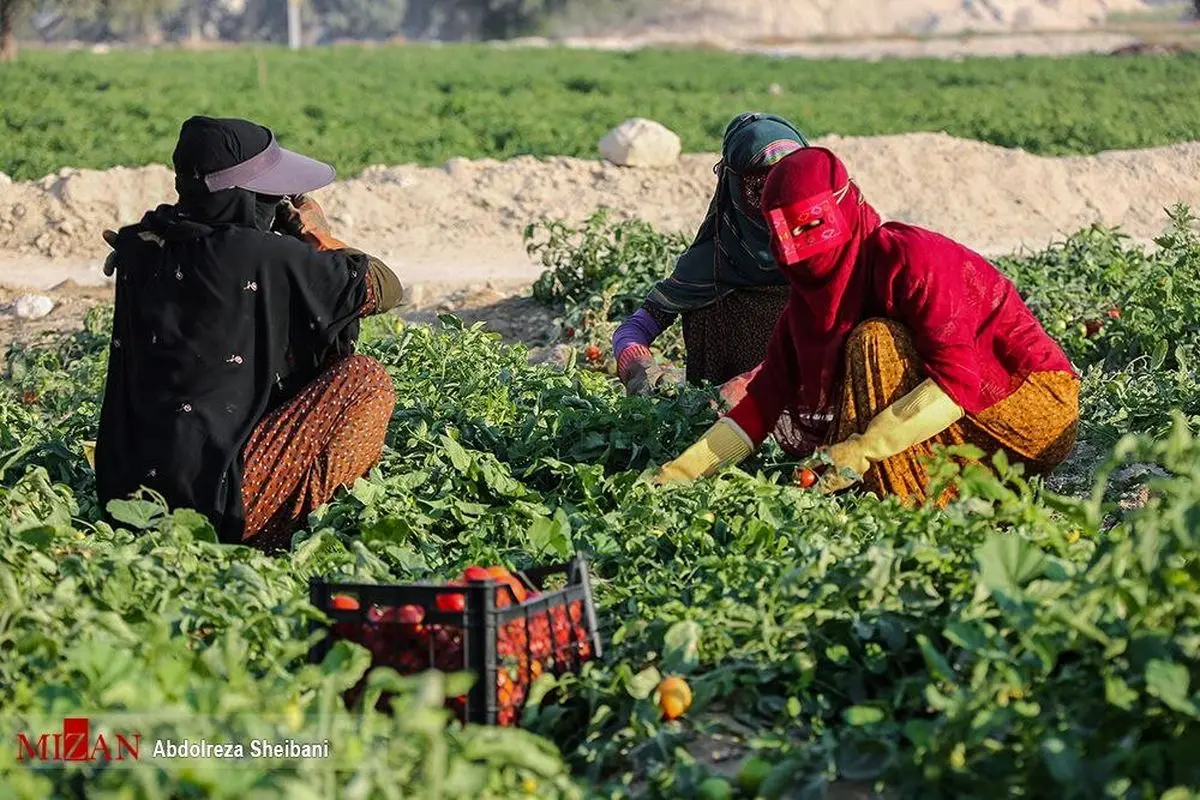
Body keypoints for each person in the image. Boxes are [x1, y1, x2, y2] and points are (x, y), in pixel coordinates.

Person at [656, 146, 1079, 505]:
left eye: (810, 226)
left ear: (841, 207)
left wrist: (860, 451)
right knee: (858, 354)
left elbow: (956, 382)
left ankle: (899, 500)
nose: (796, 250)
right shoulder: (803, 314)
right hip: (967, 436)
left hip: (1032, 411)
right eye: (783, 234)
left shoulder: (909, 259)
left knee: (872, 342)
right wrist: (678, 474)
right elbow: (761, 406)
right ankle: (898, 489)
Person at [95, 116, 403, 551]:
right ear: (251, 196)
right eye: (271, 194)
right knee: (365, 381)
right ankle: (276, 533)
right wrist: (314, 232)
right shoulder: (263, 256)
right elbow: (384, 287)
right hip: (212, 504)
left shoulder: (143, 243)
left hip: (128, 501)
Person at [612, 112, 808, 411]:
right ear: (733, 188)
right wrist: (638, 368)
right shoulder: (711, 262)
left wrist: (751, 384)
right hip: (720, 415)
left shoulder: (828, 255)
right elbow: (634, 328)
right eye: (759, 189)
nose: (775, 204)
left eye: (787, 185)